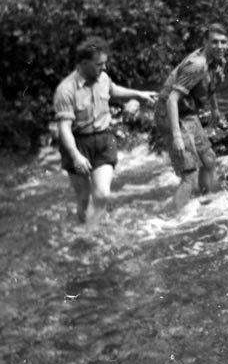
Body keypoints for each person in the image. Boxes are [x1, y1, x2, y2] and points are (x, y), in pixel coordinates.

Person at [53, 37, 156, 224]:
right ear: (84, 64)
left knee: (102, 194)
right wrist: (76, 156)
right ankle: (83, 228)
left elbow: (114, 90)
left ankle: (92, 232)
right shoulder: (65, 90)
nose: (104, 68)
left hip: (103, 140)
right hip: (77, 143)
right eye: (99, 64)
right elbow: (64, 129)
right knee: (84, 198)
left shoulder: (103, 78)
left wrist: (138, 94)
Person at [154, 23, 228, 212]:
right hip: (170, 113)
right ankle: (175, 222)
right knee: (189, 175)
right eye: (214, 42)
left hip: (187, 113)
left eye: (223, 42)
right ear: (205, 42)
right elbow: (172, 99)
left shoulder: (218, 60)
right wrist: (177, 137)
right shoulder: (197, 65)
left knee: (209, 160)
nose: (219, 46)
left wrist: (215, 109)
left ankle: (204, 203)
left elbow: (209, 85)